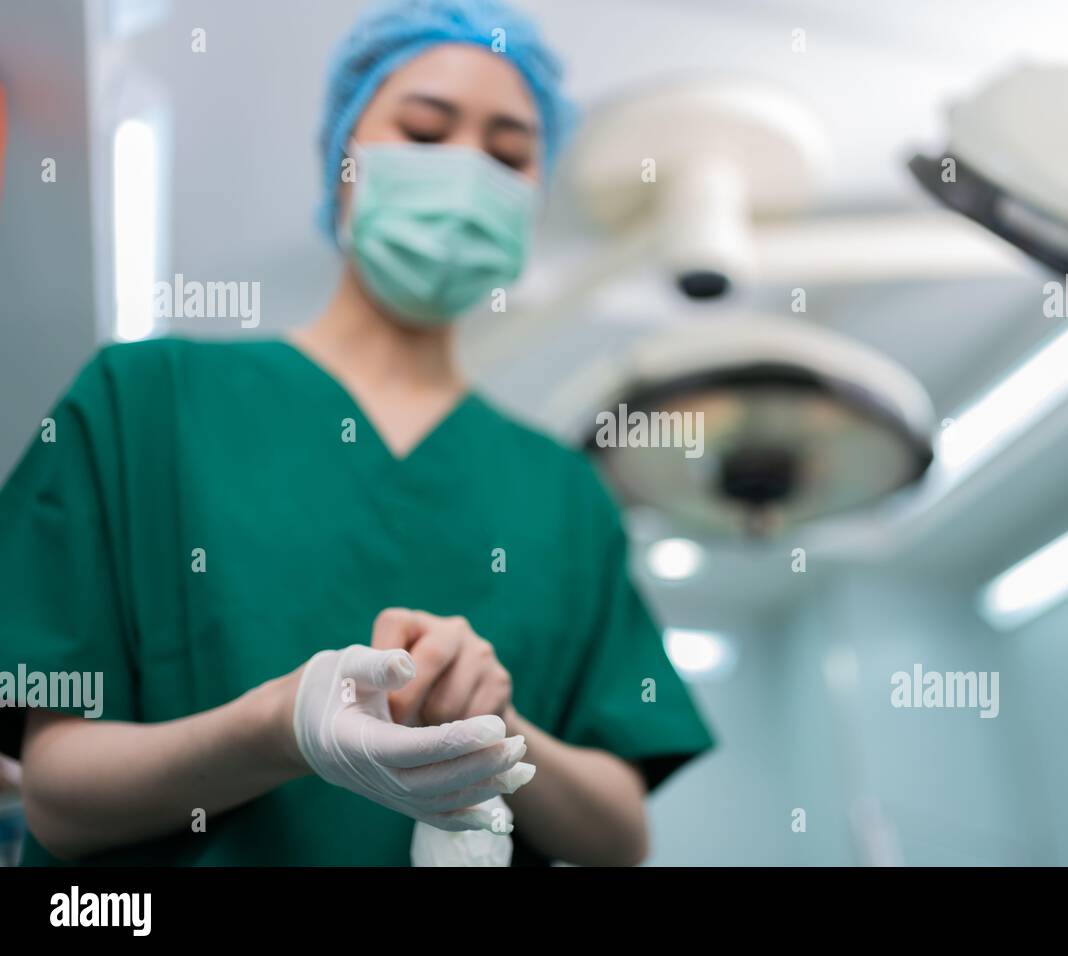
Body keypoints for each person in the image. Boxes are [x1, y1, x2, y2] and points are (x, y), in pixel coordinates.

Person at [0, 0, 712, 866]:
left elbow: (620, 838)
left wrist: (500, 732)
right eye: (422, 129)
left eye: (509, 152)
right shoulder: (143, 401)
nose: (465, 172)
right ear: (343, 161)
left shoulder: (565, 494)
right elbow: (58, 795)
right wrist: (283, 728)